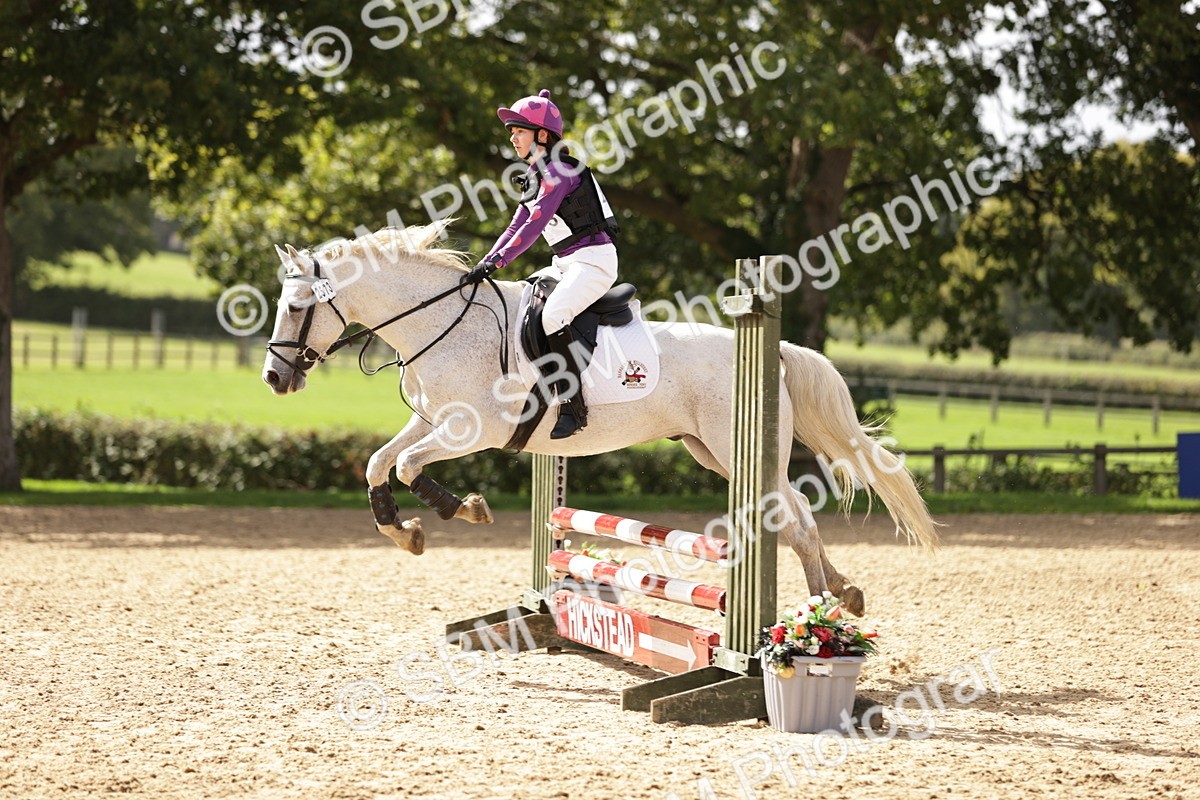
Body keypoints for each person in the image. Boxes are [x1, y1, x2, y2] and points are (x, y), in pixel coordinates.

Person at [461, 89, 620, 439]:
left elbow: (534, 227)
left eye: (520, 130)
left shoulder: (559, 171)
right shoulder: (536, 175)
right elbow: (514, 227)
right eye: (512, 131)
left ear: (543, 136)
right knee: (522, 306)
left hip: (594, 262)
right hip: (565, 263)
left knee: (552, 316)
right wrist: (483, 265)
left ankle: (573, 406)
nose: (513, 137)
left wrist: (497, 263)